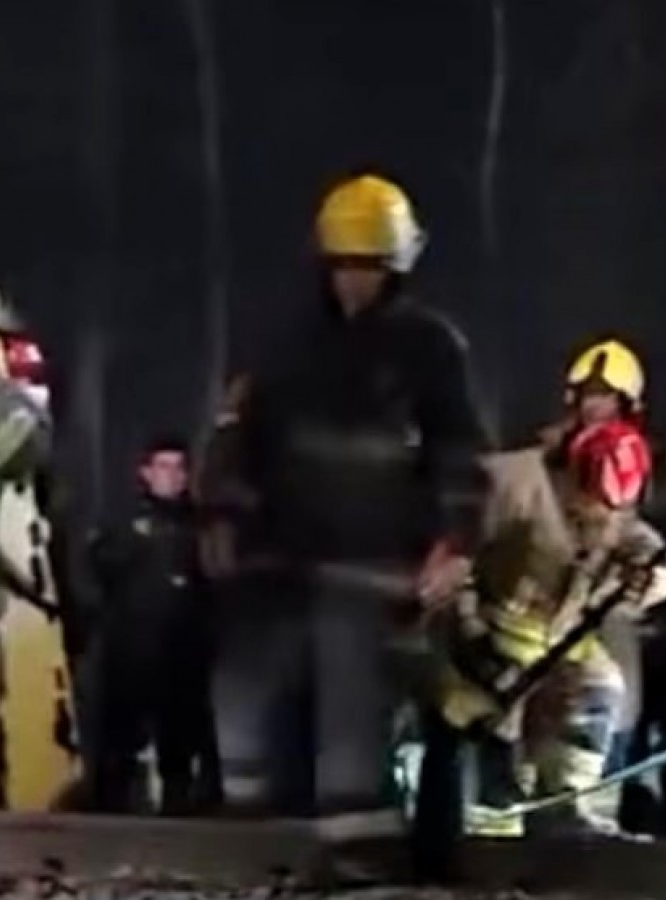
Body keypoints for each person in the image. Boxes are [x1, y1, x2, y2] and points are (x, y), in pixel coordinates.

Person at [207, 172, 490, 829]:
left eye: (369, 266)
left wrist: (455, 542)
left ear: (398, 267)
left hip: (377, 571)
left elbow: (460, 455)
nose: (353, 280)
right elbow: (241, 439)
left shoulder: (431, 349)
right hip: (282, 565)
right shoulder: (286, 349)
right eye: (343, 265)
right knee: (245, 704)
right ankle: (249, 838)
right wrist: (223, 516)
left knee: (352, 726)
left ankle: (358, 845)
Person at [433, 376, 666, 841]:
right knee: (478, 715)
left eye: (611, 510)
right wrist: (470, 637)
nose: (600, 519)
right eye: (591, 507)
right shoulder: (510, 485)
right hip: (484, 632)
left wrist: (651, 579)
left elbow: (643, 546)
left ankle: (561, 806)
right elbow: (454, 554)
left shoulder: (613, 509)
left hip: (558, 639)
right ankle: (484, 818)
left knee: (598, 687)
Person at [86, 436, 219, 814]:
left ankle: (180, 811)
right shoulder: (124, 524)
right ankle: (108, 813)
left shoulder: (200, 526)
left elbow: (215, 582)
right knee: (119, 746)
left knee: (180, 744)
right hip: (131, 651)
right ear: (145, 473)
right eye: (163, 467)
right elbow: (99, 570)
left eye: (179, 468)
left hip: (184, 652)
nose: (172, 477)